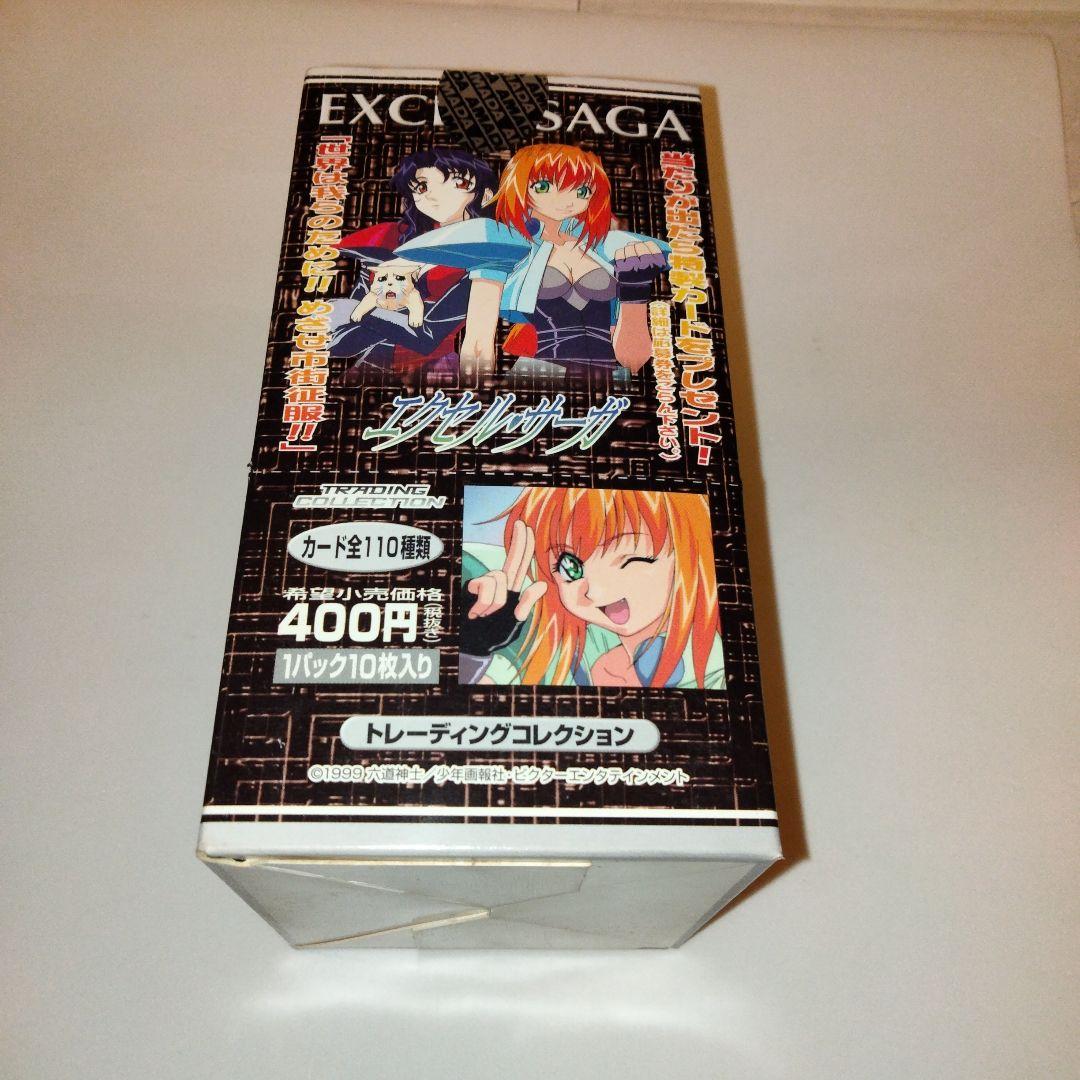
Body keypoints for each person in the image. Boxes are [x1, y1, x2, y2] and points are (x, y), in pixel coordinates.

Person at [394, 144, 669, 379]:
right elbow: (478, 337)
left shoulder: (608, 249)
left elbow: (633, 360)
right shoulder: (504, 245)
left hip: (610, 379)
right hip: (540, 376)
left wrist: (636, 288)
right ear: (519, 185)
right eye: (544, 186)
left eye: (581, 190)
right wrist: (475, 389)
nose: (565, 200)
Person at [460, 487, 725, 689]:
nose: (594, 591)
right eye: (570, 567)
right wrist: (473, 648)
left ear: (690, 556)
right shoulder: (572, 651)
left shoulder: (714, 673)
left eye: (634, 560)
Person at [330, 146, 496, 383]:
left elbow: (427, 337)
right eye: (422, 186)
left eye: (458, 183)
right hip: (371, 363)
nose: (434, 195)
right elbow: (350, 322)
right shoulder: (391, 238)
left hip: (433, 370)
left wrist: (351, 310)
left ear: (486, 194)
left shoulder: (484, 255)